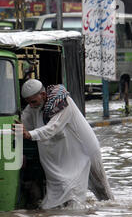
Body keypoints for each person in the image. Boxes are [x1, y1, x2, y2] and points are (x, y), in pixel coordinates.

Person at [14, 79, 114, 209]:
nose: (31, 105)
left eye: (33, 102)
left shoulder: (62, 103)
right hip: (68, 152)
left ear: (43, 95)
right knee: (66, 185)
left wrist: (29, 134)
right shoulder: (35, 106)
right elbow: (23, 122)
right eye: (28, 102)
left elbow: (52, 128)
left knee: (102, 190)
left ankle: (112, 209)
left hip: (86, 149)